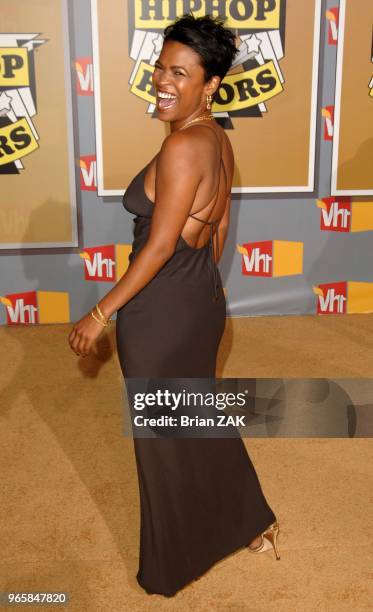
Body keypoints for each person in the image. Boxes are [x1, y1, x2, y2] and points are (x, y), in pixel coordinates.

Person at [68, 13, 280, 597]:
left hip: (162, 306)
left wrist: (100, 312)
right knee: (196, 416)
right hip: (196, 295)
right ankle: (251, 522)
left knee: (163, 437)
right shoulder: (212, 136)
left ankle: (176, 561)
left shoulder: (185, 143)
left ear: (209, 85)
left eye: (179, 72)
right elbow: (214, 227)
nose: (162, 80)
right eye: (161, 67)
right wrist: (205, 290)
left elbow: (160, 245)